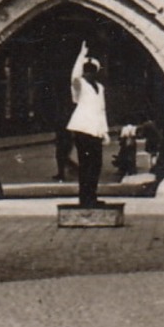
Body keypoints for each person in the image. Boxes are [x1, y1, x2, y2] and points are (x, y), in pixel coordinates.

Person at [67, 42, 108, 207]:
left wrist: (104, 132)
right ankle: (85, 198)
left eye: (91, 70)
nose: (88, 73)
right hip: (82, 129)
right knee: (85, 164)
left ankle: (92, 195)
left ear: (96, 72)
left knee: (96, 164)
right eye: (86, 69)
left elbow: (102, 110)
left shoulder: (100, 87)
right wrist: (80, 56)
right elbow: (74, 77)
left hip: (95, 130)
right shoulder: (79, 86)